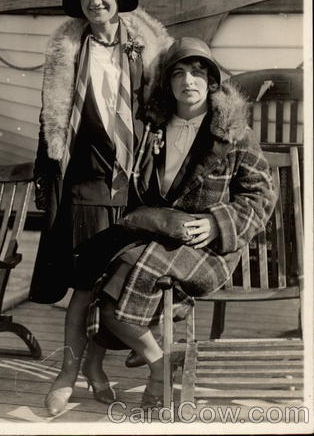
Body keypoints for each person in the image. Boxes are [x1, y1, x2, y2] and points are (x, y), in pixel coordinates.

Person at [68, 36, 277, 411]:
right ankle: (160, 365)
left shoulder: (234, 135)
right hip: (156, 234)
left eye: (198, 72)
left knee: (122, 282)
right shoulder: (151, 128)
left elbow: (262, 197)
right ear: (168, 83)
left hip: (205, 248)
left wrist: (217, 223)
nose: (188, 81)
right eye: (178, 73)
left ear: (212, 82)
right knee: (105, 272)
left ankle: (149, 363)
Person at [28, 0, 172, 414]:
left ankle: (94, 366)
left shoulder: (146, 51)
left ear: (119, 1)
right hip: (86, 181)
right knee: (86, 285)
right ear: (80, 5)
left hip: (136, 186)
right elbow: (53, 121)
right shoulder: (71, 52)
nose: (96, 1)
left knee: (121, 284)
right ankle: (67, 374)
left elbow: (172, 108)